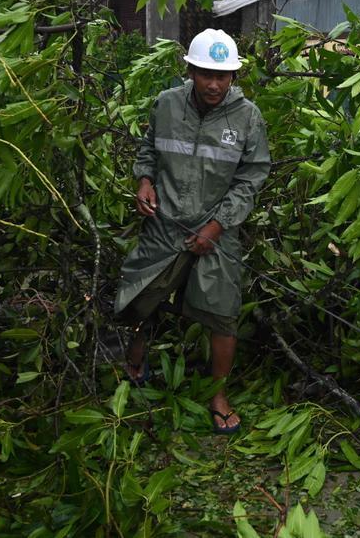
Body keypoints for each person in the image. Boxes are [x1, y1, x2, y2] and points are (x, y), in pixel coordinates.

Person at [114, 28, 271, 434]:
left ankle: (218, 395)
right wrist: (144, 180)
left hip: (217, 228)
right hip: (164, 222)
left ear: (234, 77)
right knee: (140, 294)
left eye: (222, 76)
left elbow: (251, 177)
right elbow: (149, 148)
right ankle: (135, 356)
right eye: (205, 74)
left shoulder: (247, 116)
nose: (214, 84)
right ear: (189, 71)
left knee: (222, 314)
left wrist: (217, 227)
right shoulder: (166, 105)